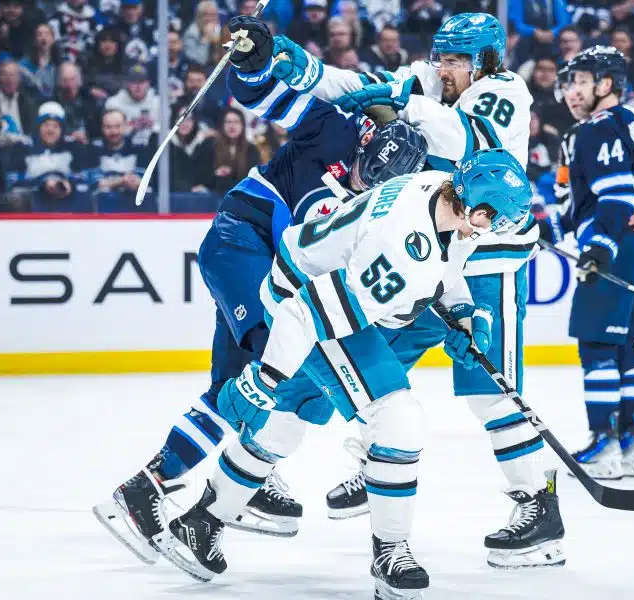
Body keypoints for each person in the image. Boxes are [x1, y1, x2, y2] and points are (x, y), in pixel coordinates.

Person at [92, 15, 430, 561]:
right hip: (241, 241)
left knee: (233, 387)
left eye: (377, 183)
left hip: (268, 268)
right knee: (273, 368)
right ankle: (242, 475)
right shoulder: (334, 127)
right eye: (365, 171)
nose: (363, 183)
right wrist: (253, 61)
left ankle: (144, 490)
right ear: (365, 139)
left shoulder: (382, 203)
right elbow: (259, 93)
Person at [161, 149, 535, 600]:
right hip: (303, 298)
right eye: (493, 220)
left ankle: (202, 522)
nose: (490, 229)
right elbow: (304, 313)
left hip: (316, 281)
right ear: (477, 206)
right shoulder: (403, 251)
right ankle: (390, 551)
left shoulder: (441, 190)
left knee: (287, 420)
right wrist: (263, 380)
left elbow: (446, 263)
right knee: (398, 417)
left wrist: (464, 313)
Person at [270, 14, 571, 570]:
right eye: (440, 58)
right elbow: (360, 86)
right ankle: (368, 461)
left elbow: (463, 139)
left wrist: (401, 103)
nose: (443, 69)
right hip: (425, 258)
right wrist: (301, 69)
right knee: (360, 368)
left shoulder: (506, 90)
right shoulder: (429, 82)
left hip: (487, 266)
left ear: (483, 62)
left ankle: (539, 507)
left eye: (455, 61)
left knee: (490, 389)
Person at [559, 46, 634, 480]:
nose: (572, 90)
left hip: (617, 243)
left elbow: (616, 194)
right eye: (571, 82)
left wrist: (600, 245)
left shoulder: (597, 128)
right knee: (625, 345)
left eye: (582, 81)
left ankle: (604, 443)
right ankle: (632, 443)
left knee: (596, 344)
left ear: (606, 84)